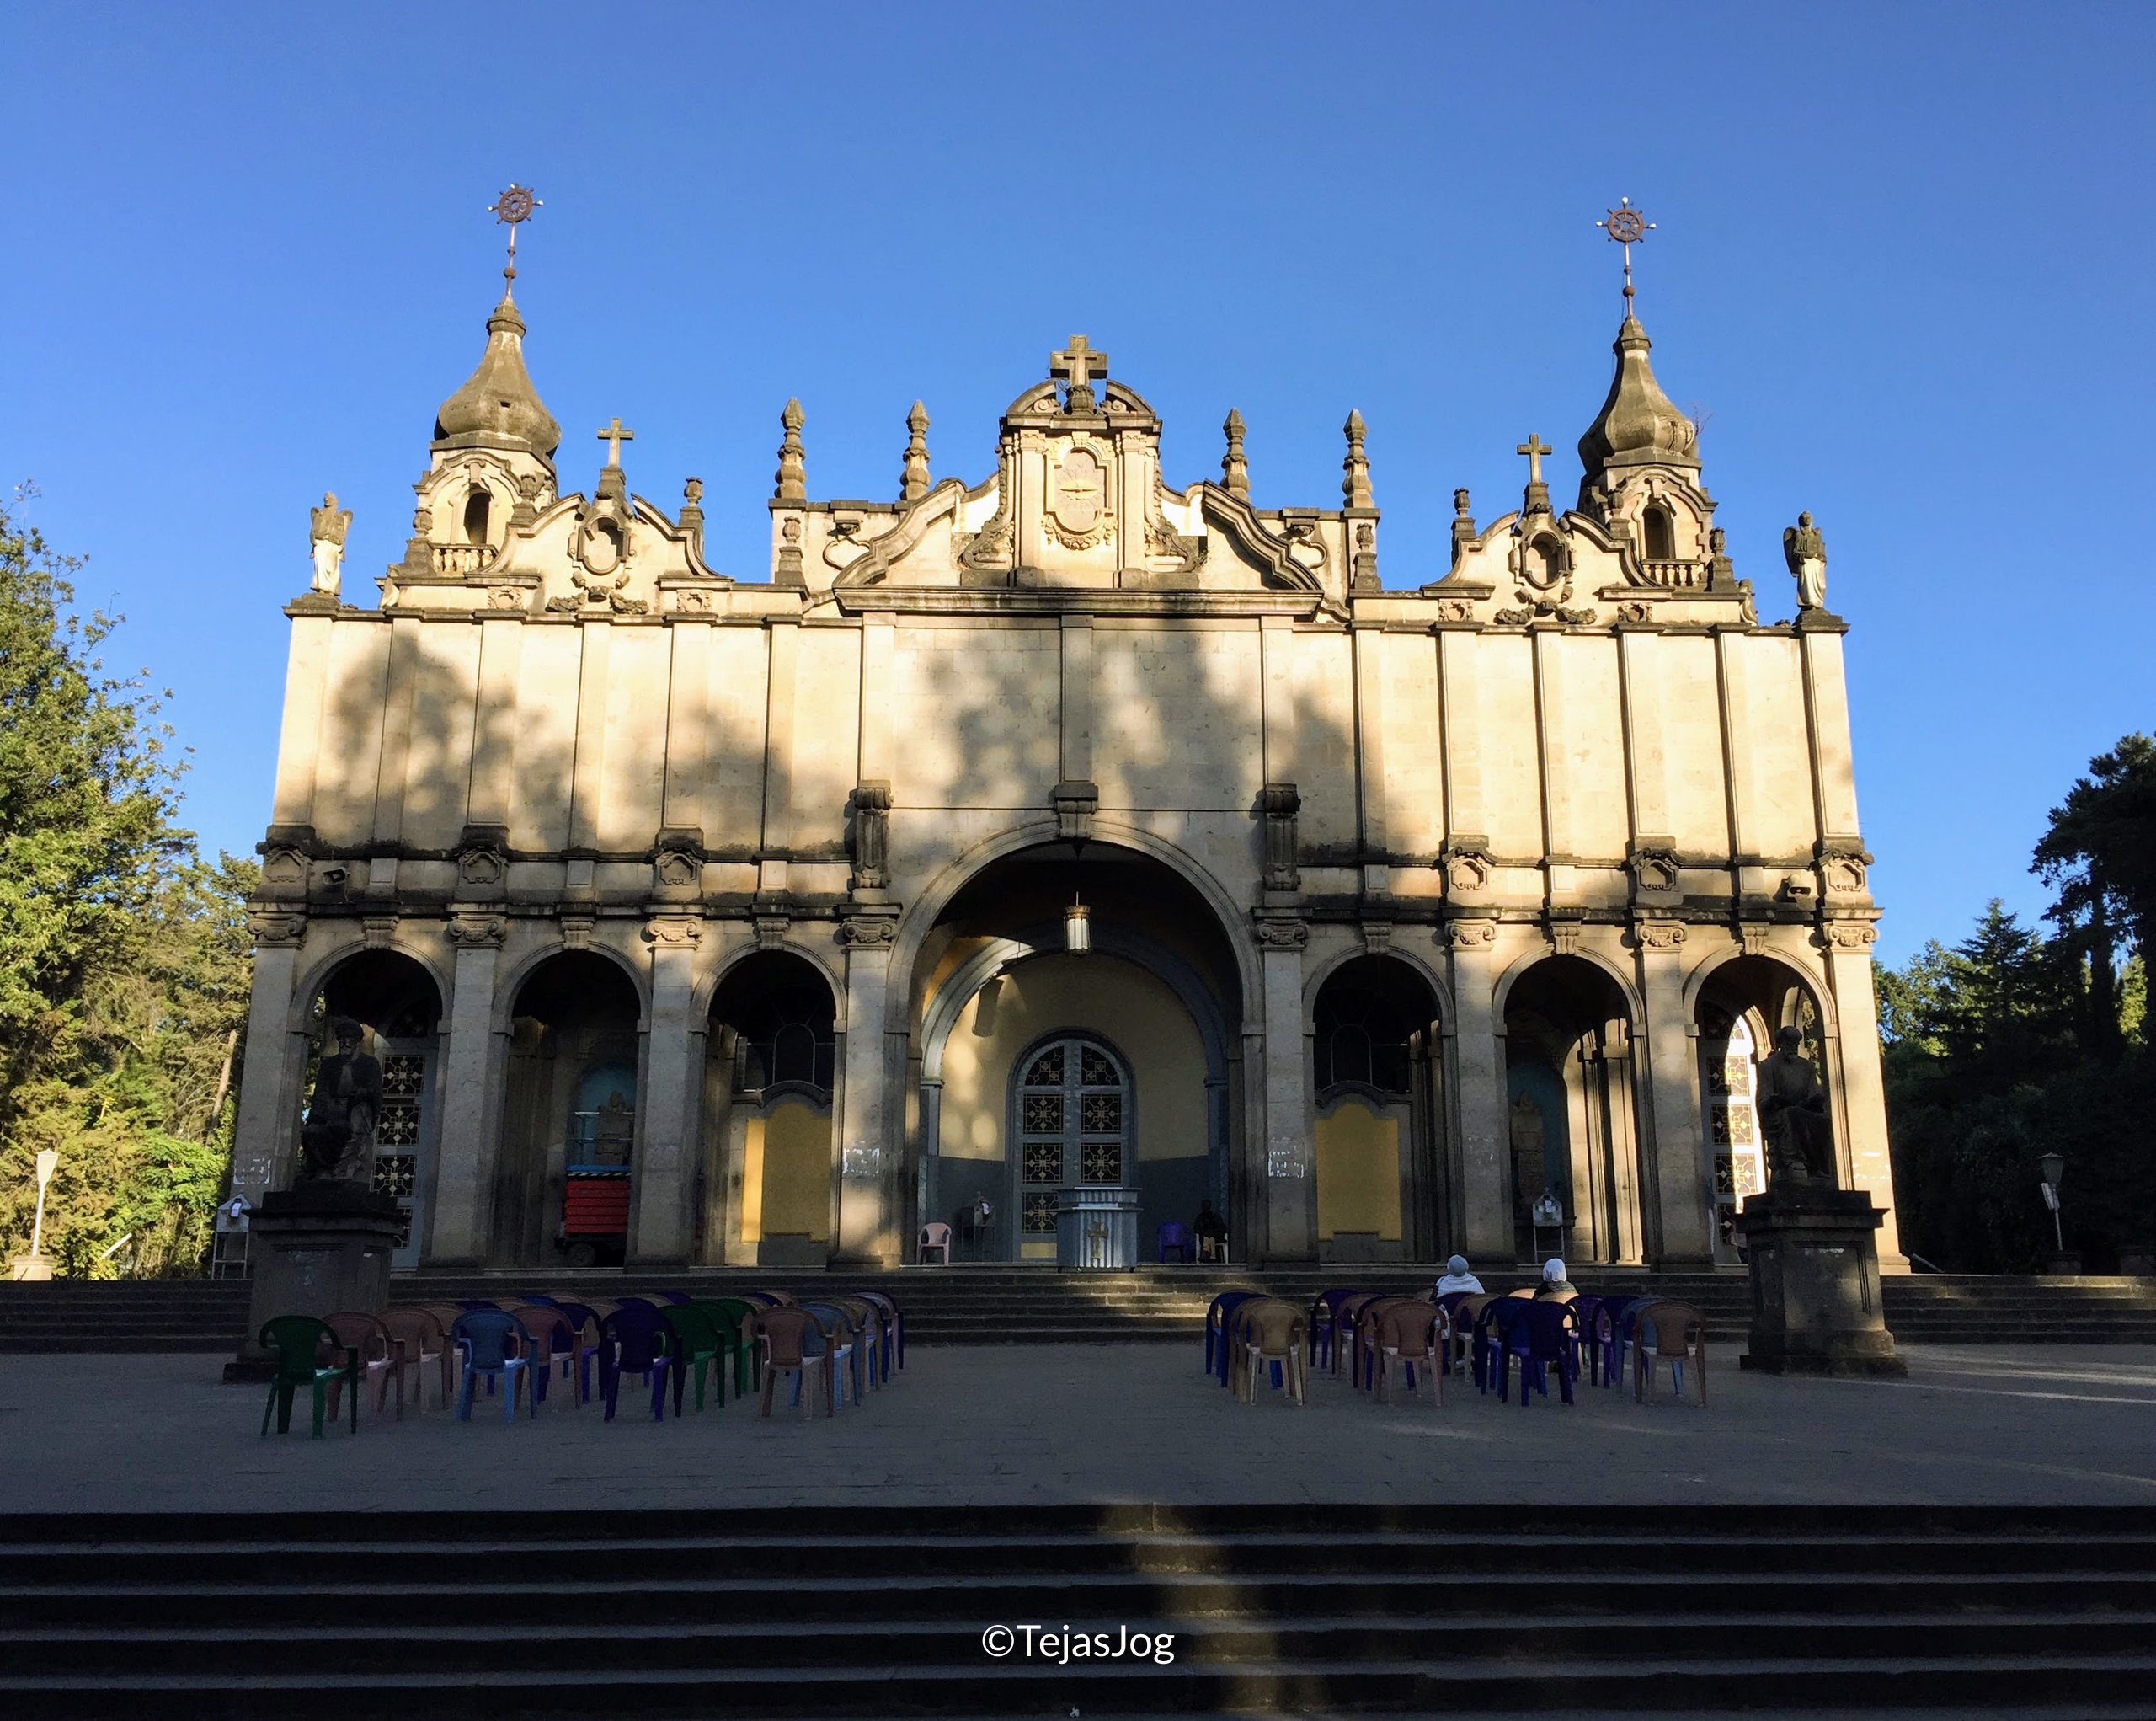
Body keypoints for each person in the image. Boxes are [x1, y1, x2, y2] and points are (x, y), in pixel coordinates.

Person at [1193, 1199, 1229, 1264]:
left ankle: (1205, 1253)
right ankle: (1212, 1257)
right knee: (1210, 1238)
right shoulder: (1200, 1218)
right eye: (1204, 1206)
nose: (1205, 1208)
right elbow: (1196, 1229)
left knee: (1209, 1236)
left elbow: (1222, 1228)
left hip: (1216, 1236)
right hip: (1204, 1237)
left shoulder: (1215, 1217)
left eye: (1207, 1206)